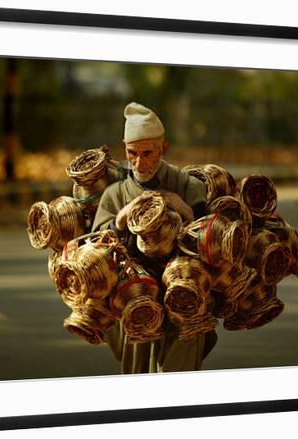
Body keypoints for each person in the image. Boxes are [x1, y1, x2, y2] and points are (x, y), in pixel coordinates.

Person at [92, 102, 217, 374]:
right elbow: (95, 250)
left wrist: (182, 208)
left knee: (179, 367)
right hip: (134, 297)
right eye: (131, 153)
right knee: (139, 372)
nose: (139, 162)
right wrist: (121, 219)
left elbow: (210, 239)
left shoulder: (186, 185)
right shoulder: (113, 195)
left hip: (184, 295)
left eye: (147, 153)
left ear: (164, 148)